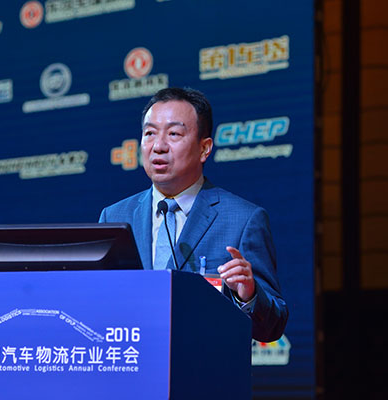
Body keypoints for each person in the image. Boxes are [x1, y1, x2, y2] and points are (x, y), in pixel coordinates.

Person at [99, 87, 288, 342]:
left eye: (174, 134)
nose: (158, 146)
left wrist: (249, 295)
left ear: (204, 148)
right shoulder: (115, 216)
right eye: (150, 133)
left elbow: (273, 326)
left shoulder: (243, 220)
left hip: (203, 363)